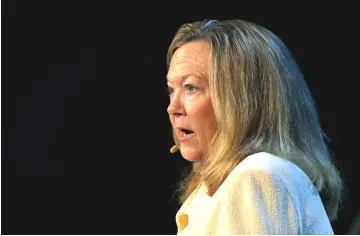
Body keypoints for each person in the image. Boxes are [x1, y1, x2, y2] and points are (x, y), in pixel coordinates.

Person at [166, 19, 343, 235]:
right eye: (171, 90)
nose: (172, 108)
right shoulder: (221, 186)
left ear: (243, 101)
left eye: (191, 88)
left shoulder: (257, 176)